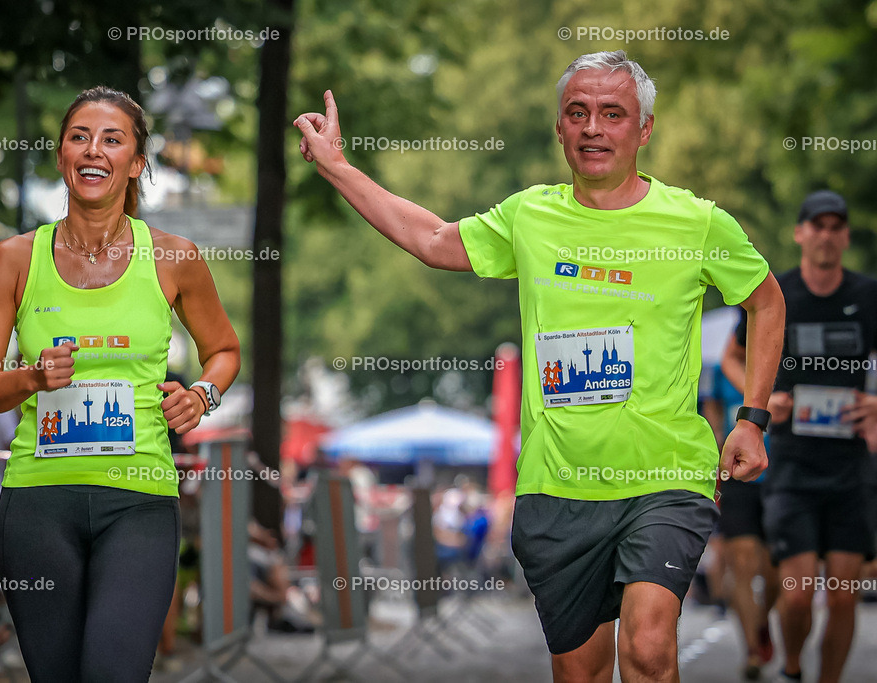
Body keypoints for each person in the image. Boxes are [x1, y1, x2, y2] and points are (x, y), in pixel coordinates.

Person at [294, 50, 786, 681]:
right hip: (558, 487)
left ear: (645, 129)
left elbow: (766, 301)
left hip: (666, 477)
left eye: (613, 114)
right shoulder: (531, 216)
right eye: (577, 113)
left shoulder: (695, 222)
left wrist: (752, 418)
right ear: (559, 130)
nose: (592, 127)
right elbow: (434, 240)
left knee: (648, 645)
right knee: (580, 671)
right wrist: (337, 168)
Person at [0, 86, 241, 682]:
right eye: (79, 137)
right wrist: (31, 377)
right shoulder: (13, 258)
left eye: (113, 140)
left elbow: (223, 350)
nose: (94, 150)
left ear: (137, 163)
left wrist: (202, 395)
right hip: (39, 502)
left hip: (138, 501)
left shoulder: (174, 258)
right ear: (62, 156)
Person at [722, 189, 877, 683]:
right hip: (791, 465)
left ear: (845, 236)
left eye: (836, 227)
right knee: (796, 592)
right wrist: (761, 402)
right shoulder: (777, 292)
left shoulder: (867, 295)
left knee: (844, 595)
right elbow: (731, 356)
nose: (827, 235)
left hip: (851, 467)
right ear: (800, 233)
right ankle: (791, 663)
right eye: (818, 225)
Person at [709, 340, 778, 680]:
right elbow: (712, 422)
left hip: (783, 478)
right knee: (742, 562)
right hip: (736, 478)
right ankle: (752, 648)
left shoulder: (785, 367)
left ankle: (762, 620)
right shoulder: (722, 369)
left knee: (776, 571)